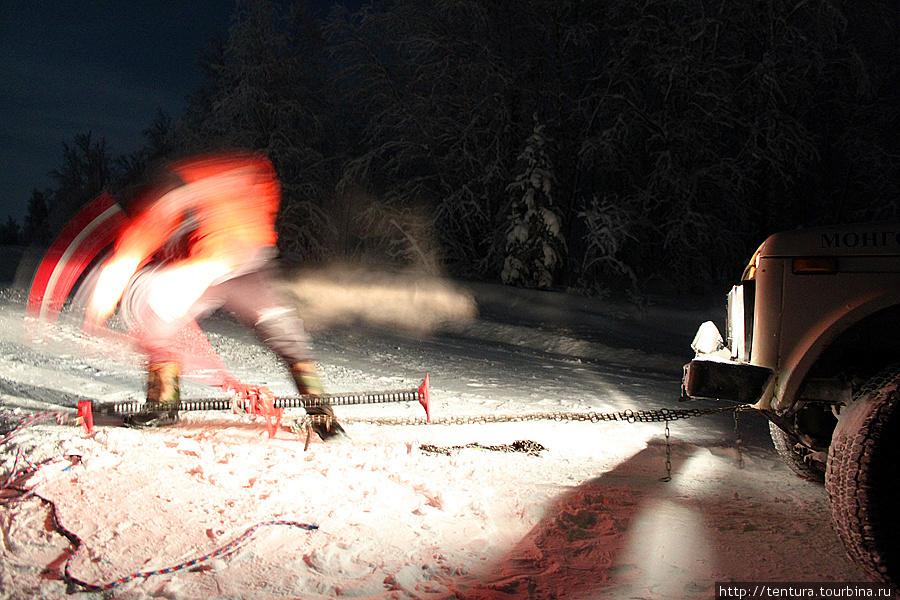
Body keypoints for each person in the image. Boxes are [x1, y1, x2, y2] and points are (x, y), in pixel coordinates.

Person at [84, 150, 342, 439]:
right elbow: (261, 191)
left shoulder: (169, 196)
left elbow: (135, 245)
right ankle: (321, 413)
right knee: (283, 331)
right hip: (244, 258)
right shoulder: (227, 178)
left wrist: (103, 299)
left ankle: (162, 406)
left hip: (221, 261)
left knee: (156, 313)